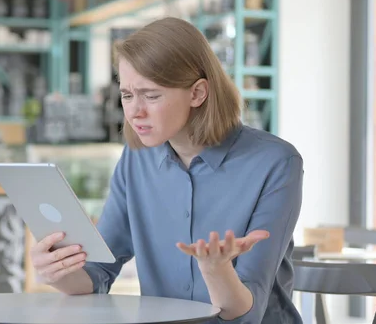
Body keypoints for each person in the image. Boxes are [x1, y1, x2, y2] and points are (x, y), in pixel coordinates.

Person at [29, 17, 304, 324]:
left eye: (151, 95)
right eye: (128, 95)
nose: (134, 111)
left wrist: (216, 270)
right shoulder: (137, 160)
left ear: (198, 93)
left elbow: (247, 312)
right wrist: (56, 272)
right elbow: (98, 273)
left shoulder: (276, 163)